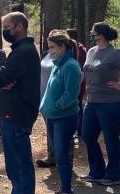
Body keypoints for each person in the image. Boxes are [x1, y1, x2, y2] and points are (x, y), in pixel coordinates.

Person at [81, 22, 120, 186]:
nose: (91, 34)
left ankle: (114, 175)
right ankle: (97, 171)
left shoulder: (114, 53)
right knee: (87, 135)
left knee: (110, 139)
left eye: (94, 32)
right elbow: (86, 71)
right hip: (92, 102)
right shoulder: (92, 51)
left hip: (112, 103)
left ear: (102, 34)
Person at [0, 12, 41, 194]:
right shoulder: (19, 51)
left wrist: (3, 76)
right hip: (12, 114)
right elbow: (2, 77)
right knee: (14, 165)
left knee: (19, 165)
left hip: (16, 114)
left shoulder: (24, 52)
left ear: (19, 27)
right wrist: (3, 76)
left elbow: (0, 78)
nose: (4, 32)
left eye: (7, 28)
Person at [40, 31, 82, 194]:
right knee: (58, 154)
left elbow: (71, 95)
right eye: (48, 47)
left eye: (52, 47)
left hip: (64, 118)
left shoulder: (71, 65)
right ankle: (64, 188)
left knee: (63, 155)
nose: (50, 51)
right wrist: (46, 106)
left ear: (63, 47)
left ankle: (66, 190)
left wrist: (55, 106)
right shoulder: (57, 63)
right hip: (52, 116)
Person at [36, 30, 61, 168]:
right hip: (43, 97)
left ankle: (62, 159)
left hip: (55, 99)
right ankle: (51, 156)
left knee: (58, 130)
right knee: (49, 129)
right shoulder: (46, 55)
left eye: (52, 43)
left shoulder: (63, 58)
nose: (49, 46)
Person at [65, 29, 87, 138]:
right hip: (74, 80)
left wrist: (79, 81)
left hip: (79, 81)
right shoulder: (73, 49)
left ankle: (80, 131)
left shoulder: (81, 50)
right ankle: (77, 131)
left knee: (77, 104)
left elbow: (82, 68)